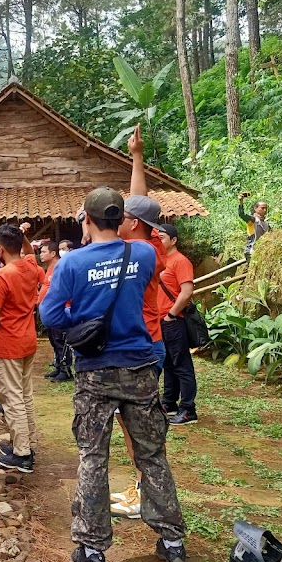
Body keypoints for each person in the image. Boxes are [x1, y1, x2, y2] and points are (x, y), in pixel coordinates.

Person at [39, 187, 188, 562]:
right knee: (152, 454)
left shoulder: (72, 264)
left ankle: (92, 551)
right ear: (121, 219)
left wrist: (83, 322)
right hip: (140, 366)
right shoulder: (143, 254)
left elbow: (50, 313)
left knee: (93, 457)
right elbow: (144, 220)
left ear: (85, 218)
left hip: (95, 371)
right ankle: (173, 543)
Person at [109, 125, 169, 519]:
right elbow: (141, 202)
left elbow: (139, 202)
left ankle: (144, 492)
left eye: (125, 216)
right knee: (136, 426)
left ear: (132, 224)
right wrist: (136, 157)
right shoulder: (149, 247)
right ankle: (142, 486)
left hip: (142, 345)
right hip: (148, 342)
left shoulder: (141, 252)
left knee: (137, 428)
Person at [0, 223, 41, 474]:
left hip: (9, 342)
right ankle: (27, 443)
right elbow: (30, 252)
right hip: (28, 338)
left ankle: (22, 453)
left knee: (12, 397)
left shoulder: (1, 276)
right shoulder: (30, 266)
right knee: (24, 394)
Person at [157, 224, 197, 425]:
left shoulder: (180, 261)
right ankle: (169, 402)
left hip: (173, 320)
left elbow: (187, 291)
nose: (158, 241)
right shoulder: (161, 262)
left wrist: (171, 314)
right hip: (161, 321)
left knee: (181, 364)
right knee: (168, 363)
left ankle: (188, 409)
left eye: (162, 237)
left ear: (173, 240)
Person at [38, 241, 72, 382]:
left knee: (61, 341)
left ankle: (66, 370)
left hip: (60, 311)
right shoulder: (50, 268)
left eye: (44, 251)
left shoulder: (60, 266)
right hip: (51, 313)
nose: (41, 254)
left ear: (53, 253)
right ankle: (58, 366)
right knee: (54, 340)